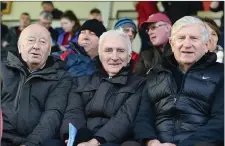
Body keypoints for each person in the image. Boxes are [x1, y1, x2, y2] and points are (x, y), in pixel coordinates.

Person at [134, 16, 224, 146]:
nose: (187, 44)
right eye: (181, 38)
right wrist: (152, 142)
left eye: (194, 38)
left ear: (205, 45)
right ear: (172, 43)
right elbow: (142, 117)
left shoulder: (221, 73)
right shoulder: (155, 74)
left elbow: (220, 122)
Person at [60, 30, 145, 146]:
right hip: (82, 137)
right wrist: (73, 138)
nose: (114, 57)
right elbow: (73, 112)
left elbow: (125, 118)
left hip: (116, 140)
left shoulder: (139, 84)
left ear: (129, 57)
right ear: (100, 55)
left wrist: (96, 141)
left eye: (120, 51)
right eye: (108, 50)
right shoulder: (80, 82)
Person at [1, 24, 72, 146]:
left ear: (49, 50)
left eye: (43, 42)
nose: (36, 46)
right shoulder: (2, 69)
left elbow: (52, 115)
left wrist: (31, 143)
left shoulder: (60, 77)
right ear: (19, 47)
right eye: (31, 40)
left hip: (35, 141)